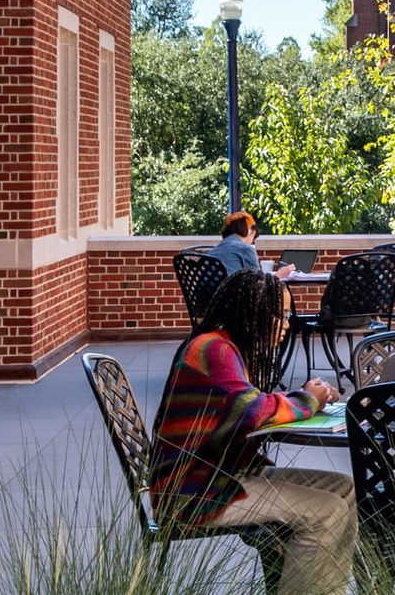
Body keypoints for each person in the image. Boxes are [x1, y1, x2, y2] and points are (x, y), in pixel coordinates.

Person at [154, 269, 353, 592]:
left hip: (227, 474)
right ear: (254, 313)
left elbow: (249, 402)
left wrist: (303, 397)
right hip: (196, 491)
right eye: (282, 314)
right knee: (326, 511)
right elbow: (252, 411)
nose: (288, 323)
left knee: (344, 488)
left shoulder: (227, 346)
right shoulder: (214, 350)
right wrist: (308, 400)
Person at [197, 210, 296, 278]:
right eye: (254, 237)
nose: (252, 242)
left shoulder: (212, 252)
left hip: (207, 306)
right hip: (234, 305)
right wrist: (279, 275)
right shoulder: (245, 249)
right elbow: (260, 286)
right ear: (249, 230)